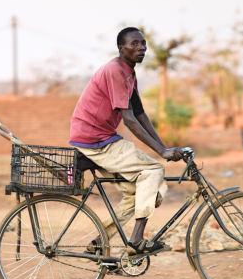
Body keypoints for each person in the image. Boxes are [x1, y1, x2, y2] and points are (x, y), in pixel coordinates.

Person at [69, 27, 184, 257]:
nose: (140, 48)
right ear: (121, 48)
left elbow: (141, 114)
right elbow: (129, 120)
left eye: (143, 44)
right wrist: (161, 152)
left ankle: (100, 241)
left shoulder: (128, 73)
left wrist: (165, 147)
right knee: (153, 171)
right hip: (97, 140)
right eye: (134, 44)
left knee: (140, 192)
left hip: (101, 139)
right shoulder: (115, 71)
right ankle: (136, 241)